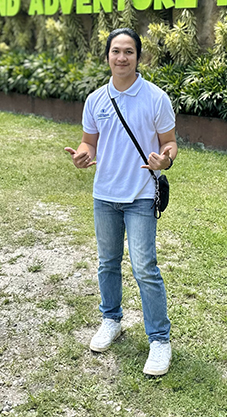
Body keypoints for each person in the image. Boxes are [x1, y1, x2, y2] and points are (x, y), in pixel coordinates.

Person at [64, 28, 177, 376]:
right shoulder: (96, 100)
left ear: (138, 57)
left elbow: (170, 142)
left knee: (144, 267)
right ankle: (111, 320)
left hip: (140, 194)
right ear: (107, 56)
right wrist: (82, 155)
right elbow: (89, 143)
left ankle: (159, 339)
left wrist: (165, 160)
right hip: (104, 195)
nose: (122, 57)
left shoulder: (156, 98)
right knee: (107, 263)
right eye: (116, 51)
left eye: (129, 51)